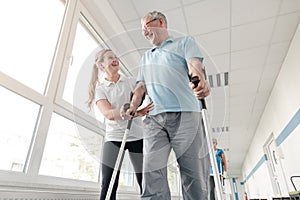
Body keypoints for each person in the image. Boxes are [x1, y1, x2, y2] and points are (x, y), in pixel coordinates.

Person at [123, 11, 211, 200]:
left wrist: (198, 79)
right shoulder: (146, 57)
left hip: (186, 114)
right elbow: (140, 87)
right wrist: (132, 106)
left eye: (146, 26)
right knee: (151, 172)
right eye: (142, 30)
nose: (144, 32)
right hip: (155, 120)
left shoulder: (184, 43)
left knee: (193, 173)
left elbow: (194, 64)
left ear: (160, 22)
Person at [87, 49, 154, 200]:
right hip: (114, 137)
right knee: (109, 182)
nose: (115, 59)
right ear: (102, 65)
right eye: (110, 58)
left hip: (137, 136)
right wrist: (135, 113)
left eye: (116, 57)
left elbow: (143, 94)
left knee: (144, 180)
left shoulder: (131, 81)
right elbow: (109, 114)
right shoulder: (100, 89)